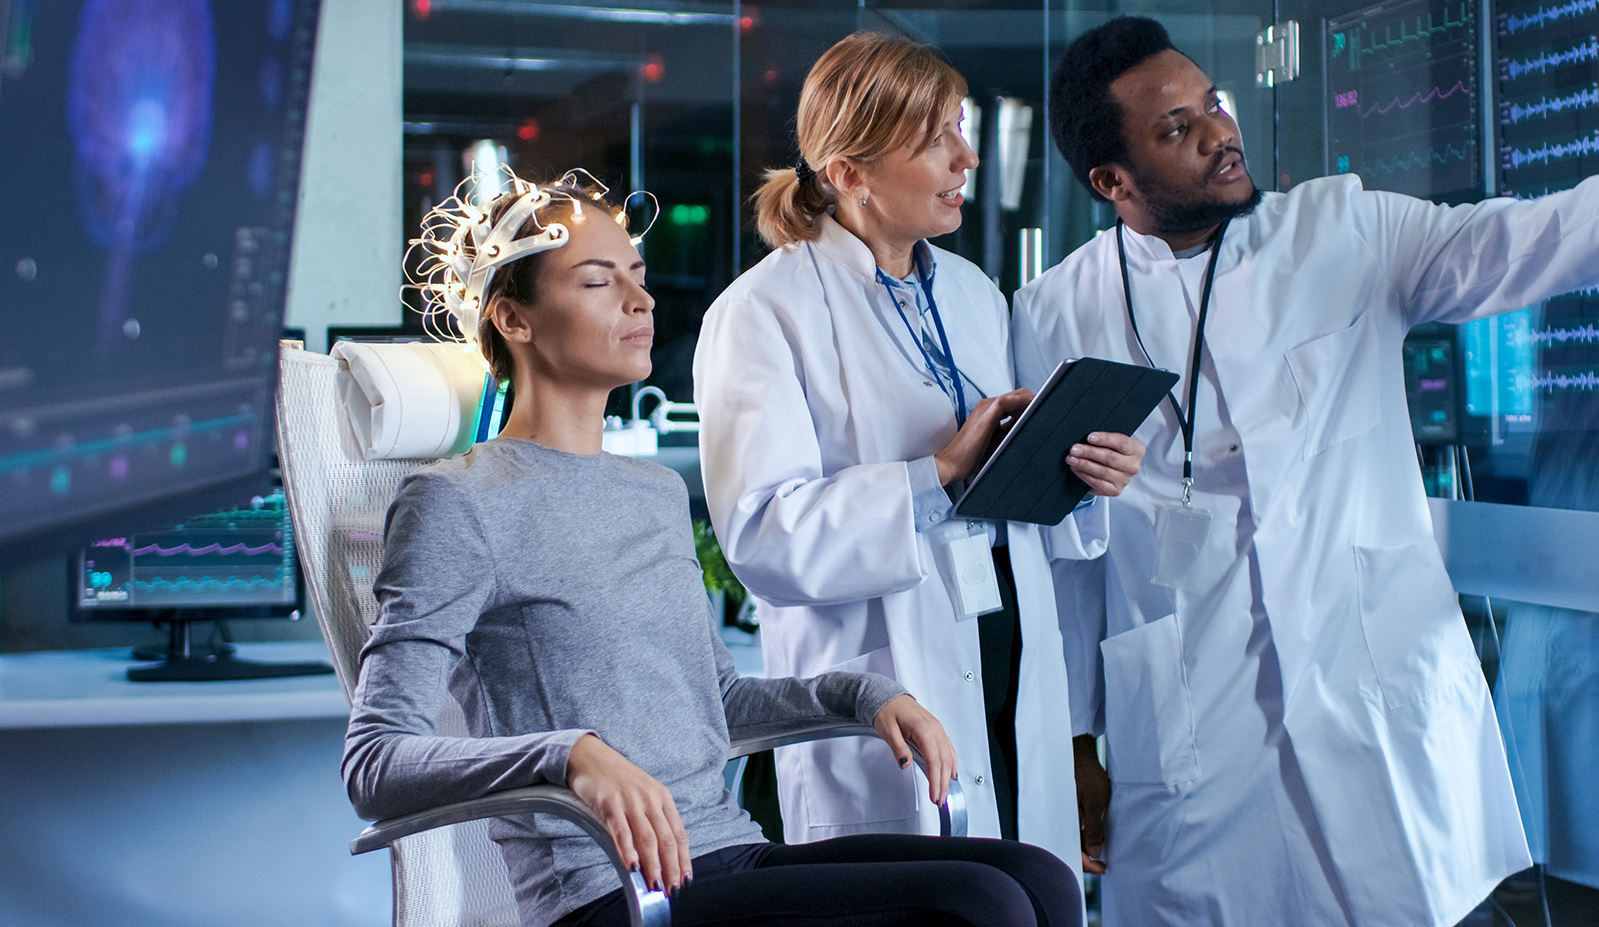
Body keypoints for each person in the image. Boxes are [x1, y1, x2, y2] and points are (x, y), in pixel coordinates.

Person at [1011, 16, 1599, 927]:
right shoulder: (1052, 313)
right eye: (1176, 130)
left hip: (1366, 681)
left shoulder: (1340, 229)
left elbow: (1500, 244)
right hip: (1191, 723)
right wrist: (1070, 737)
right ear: (1112, 181)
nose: (1221, 133)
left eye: (1212, 103)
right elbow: (1056, 551)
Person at [343, 171, 1083, 927]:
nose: (642, 302)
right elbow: (375, 762)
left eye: (639, 276)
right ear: (514, 320)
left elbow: (719, 705)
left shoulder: (654, 490)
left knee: (1039, 876)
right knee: (979, 903)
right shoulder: (459, 502)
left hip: (729, 853)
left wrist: (865, 692)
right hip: (616, 893)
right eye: (599, 283)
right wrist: (571, 754)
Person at [692, 32, 1142, 897]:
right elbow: (760, 536)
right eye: (935, 138)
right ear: (848, 171)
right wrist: (931, 472)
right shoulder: (762, 311)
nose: (966, 158)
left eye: (961, 131)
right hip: (891, 675)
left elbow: (1002, 483)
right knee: (928, 899)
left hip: (1011, 647)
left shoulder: (975, 292)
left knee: (1027, 890)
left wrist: (1079, 471)